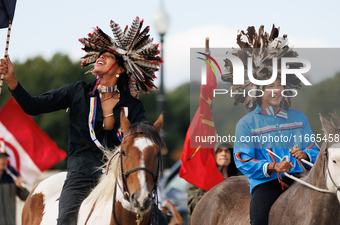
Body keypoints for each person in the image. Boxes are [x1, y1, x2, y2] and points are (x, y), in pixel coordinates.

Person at [0, 17, 166, 224]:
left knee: (160, 219)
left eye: (108, 56)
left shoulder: (133, 106)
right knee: (66, 221)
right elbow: (34, 106)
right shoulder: (78, 92)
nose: (101, 58)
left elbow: (140, 141)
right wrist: (12, 80)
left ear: (121, 69)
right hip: (80, 174)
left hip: (116, 177)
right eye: (100, 55)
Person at [222, 25, 319, 225]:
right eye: (270, 86)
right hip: (266, 185)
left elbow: (314, 150)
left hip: (301, 181)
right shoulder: (246, 124)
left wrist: (306, 155)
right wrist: (274, 166)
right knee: (258, 220)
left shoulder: (299, 118)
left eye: (280, 85)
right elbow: (243, 161)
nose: (277, 90)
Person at [187, 142, 238, 224]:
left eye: (227, 151)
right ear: (213, 154)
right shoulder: (201, 178)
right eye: (219, 151)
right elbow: (193, 205)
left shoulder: (238, 178)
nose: (223, 154)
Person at [0, 139, 29, 225]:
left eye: (4, 157)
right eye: (0, 157)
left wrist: (22, 188)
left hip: (11, 222)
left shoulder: (12, 176)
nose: (3, 160)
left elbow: (26, 197)